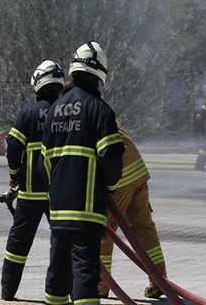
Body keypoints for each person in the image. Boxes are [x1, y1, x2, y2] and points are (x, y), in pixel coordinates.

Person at [42, 41, 124, 305]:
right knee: (85, 277)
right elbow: (111, 158)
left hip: (57, 211)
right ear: (100, 73)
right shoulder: (100, 111)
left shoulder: (55, 109)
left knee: (57, 274)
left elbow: (46, 160)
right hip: (86, 211)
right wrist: (110, 188)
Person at [0, 60, 65, 301]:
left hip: (29, 192)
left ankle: (8, 292)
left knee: (18, 244)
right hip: (58, 194)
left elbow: (13, 146)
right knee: (61, 244)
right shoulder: (65, 112)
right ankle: (62, 294)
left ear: (37, 84)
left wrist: (15, 174)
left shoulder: (27, 113)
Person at [97, 121, 167, 299]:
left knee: (104, 231)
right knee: (144, 227)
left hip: (119, 175)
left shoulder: (72, 114)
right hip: (137, 169)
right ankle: (160, 282)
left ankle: (100, 285)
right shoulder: (100, 109)